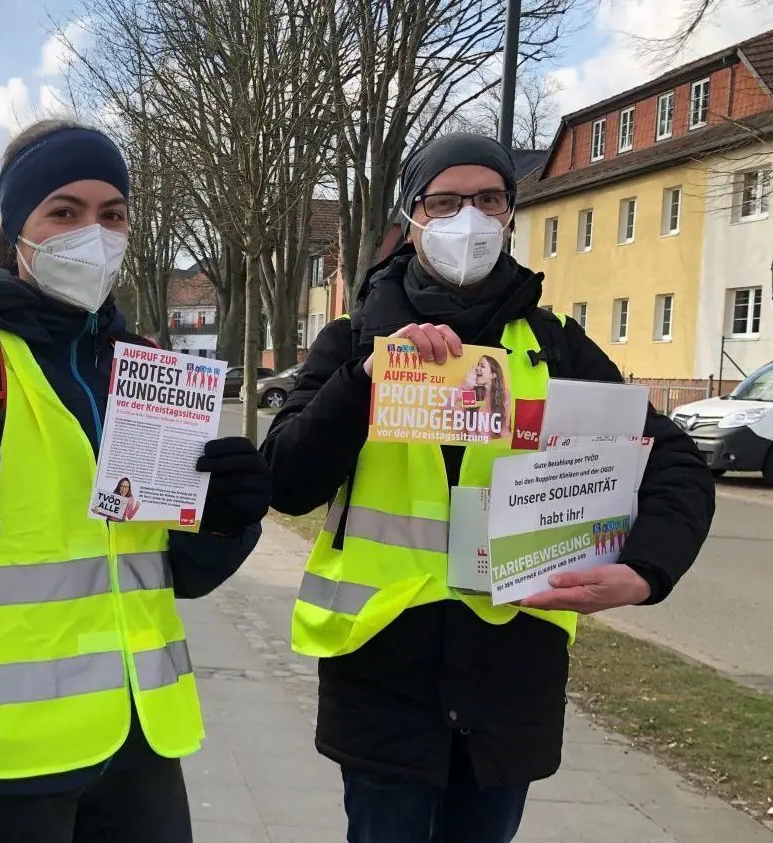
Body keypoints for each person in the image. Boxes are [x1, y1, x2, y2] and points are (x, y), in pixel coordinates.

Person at [260, 132, 715, 843]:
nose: (467, 218)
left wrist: (645, 569)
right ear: (412, 217)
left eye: (488, 199)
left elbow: (675, 462)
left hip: (509, 691)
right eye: (444, 201)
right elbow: (284, 479)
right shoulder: (354, 341)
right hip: (383, 683)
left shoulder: (555, 345)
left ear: (510, 212)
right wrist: (364, 384)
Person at [0, 118, 271, 843]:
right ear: (17, 230)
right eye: (65, 211)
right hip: (8, 773)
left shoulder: (148, 369)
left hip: (143, 752)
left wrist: (229, 518)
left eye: (112, 214)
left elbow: (168, 571)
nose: (94, 232)